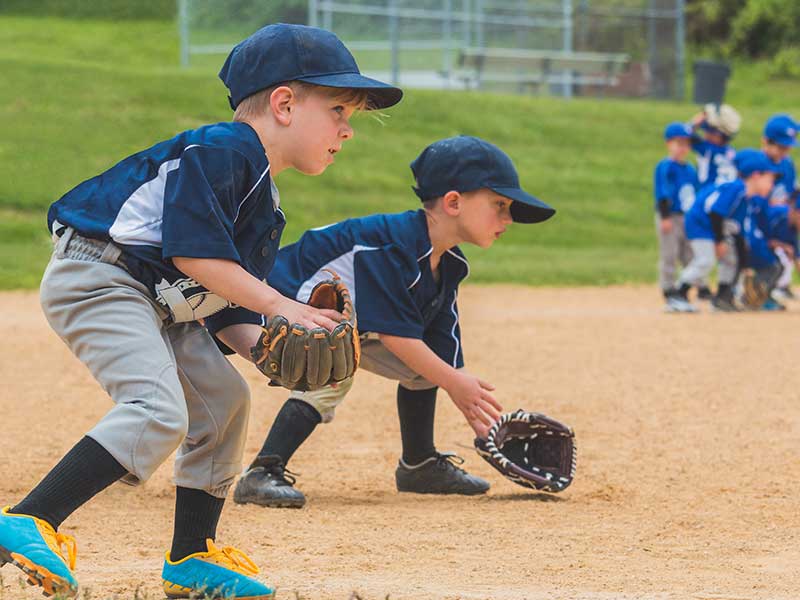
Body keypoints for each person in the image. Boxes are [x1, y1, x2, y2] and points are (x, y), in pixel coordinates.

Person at [0, 23, 401, 599]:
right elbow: (193, 253)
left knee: (224, 402)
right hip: (102, 277)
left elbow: (220, 300)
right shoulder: (225, 149)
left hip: (164, 300)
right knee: (157, 409)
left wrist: (264, 344)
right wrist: (282, 304)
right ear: (285, 104)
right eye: (339, 109)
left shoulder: (264, 198)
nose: (347, 129)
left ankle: (191, 557)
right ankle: (30, 518)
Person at [224, 136, 555, 508]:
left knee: (425, 366)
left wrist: (477, 418)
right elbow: (395, 335)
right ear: (453, 202)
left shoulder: (448, 263)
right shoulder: (392, 248)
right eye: (499, 205)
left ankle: (419, 463)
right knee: (334, 359)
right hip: (270, 307)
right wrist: (453, 382)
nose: (508, 218)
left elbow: (440, 352)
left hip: (335, 323)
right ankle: (263, 471)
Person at [676, 149, 780, 312]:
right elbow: (715, 212)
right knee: (706, 260)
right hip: (700, 223)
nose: (772, 185)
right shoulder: (736, 188)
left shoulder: (746, 198)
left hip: (714, 225)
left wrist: (745, 265)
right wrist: (719, 242)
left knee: (731, 259)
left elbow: (738, 233)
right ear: (756, 175)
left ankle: (723, 297)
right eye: (770, 179)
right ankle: (677, 294)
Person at [653, 122, 700, 312]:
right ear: (668, 143)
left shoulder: (690, 169)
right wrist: (665, 217)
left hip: (688, 218)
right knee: (669, 254)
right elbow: (662, 193)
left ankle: (683, 292)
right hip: (670, 216)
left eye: (687, 144)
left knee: (689, 255)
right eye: (678, 143)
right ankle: (669, 292)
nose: (683, 148)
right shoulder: (666, 166)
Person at [761, 114, 799, 300]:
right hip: (762, 219)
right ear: (766, 141)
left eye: (788, 148)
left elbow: (792, 194)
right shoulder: (758, 164)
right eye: (781, 147)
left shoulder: (787, 164)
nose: (785, 152)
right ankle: (766, 286)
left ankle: (782, 285)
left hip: (783, 219)